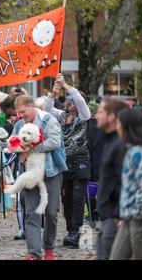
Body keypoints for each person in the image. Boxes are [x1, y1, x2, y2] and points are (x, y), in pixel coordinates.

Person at [10, 95, 67, 260]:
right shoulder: (20, 124)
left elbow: (55, 141)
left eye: (23, 111)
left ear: (32, 106)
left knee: (51, 213)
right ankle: (34, 253)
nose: (20, 115)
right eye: (18, 112)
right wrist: (17, 146)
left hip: (51, 173)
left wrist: (32, 148)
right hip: (30, 173)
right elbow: (12, 141)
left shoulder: (48, 120)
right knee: (32, 213)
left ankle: (49, 248)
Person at [42, 73, 91, 248]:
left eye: (72, 99)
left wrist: (66, 86)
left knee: (78, 198)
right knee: (67, 200)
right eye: (68, 99)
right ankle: (71, 229)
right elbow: (46, 110)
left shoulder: (84, 116)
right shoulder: (61, 115)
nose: (69, 101)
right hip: (64, 164)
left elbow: (79, 99)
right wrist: (53, 93)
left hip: (81, 163)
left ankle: (76, 231)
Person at [110, 108, 142, 260]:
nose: (116, 127)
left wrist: (133, 215)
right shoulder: (130, 151)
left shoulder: (139, 153)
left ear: (127, 126)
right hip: (131, 218)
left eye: (118, 123)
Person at [95, 97, 129, 260]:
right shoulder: (107, 139)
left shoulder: (120, 144)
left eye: (101, 112)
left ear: (112, 117)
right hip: (106, 215)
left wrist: (119, 214)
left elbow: (125, 181)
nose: (96, 116)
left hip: (115, 217)